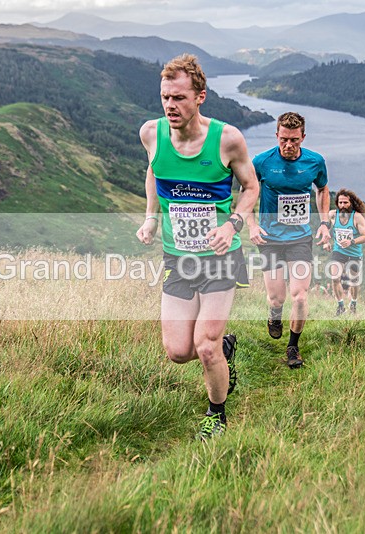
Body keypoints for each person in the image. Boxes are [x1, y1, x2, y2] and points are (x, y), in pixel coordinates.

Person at [135, 54, 259, 440]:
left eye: (179, 98)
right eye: (165, 97)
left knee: (205, 347)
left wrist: (233, 224)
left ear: (200, 96)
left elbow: (251, 187)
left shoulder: (227, 139)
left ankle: (216, 414)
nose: (170, 106)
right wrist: (151, 216)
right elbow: (154, 170)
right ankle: (226, 348)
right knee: (177, 351)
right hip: (178, 258)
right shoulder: (151, 134)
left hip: (221, 259)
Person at [247, 111, 330, 369]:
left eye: (294, 140)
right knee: (276, 298)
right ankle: (274, 315)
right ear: (277, 135)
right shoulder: (261, 162)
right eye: (284, 139)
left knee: (300, 297)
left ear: (303, 137)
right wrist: (251, 225)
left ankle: (293, 346)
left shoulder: (315, 162)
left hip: (300, 239)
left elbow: (323, 189)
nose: (289, 145)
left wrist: (325, 223)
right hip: (269, 240)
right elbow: (246, 195)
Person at [326, 189, 365, 316]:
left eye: (345, 202)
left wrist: (351, 241)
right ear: (337, 203)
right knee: (335, 277)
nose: (343, 206)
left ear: (351, 203)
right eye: (340, 203)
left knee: (353, 281)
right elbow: (326, 229)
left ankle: (353, 303)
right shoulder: (332, 215)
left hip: (354, 253)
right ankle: (340, 307)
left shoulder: (357, 217)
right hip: (339, 251)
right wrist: (326, 242)